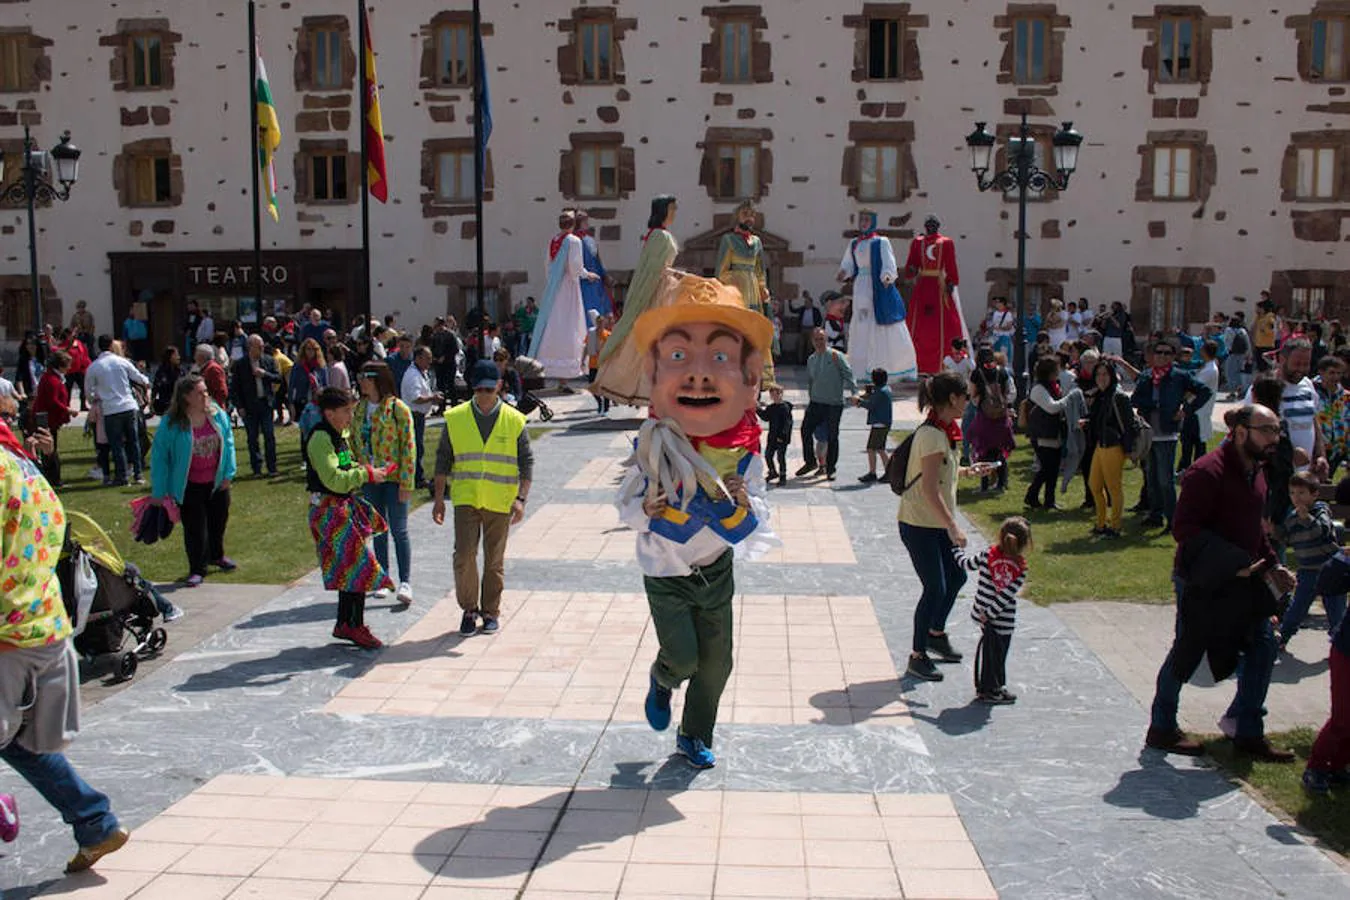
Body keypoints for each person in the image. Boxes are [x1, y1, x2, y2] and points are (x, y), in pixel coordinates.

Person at [614, 274, 777, 769]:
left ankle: (694, 734)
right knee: (684, 659)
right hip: (665, 573)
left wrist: (747, 504)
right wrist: (644, 509)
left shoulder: (745, 454)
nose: (700, 376)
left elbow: (761, 514)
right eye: (680, 357)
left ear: (750, 376)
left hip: (715, 570)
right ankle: (663, 679)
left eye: (721, 357)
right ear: (655, 370)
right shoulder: (655, 442)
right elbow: (625, 502)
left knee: (718, 664)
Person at [0, 392, 130, 875]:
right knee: (19, 741)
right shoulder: (21, 462)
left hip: (9, 632)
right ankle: (95, 822)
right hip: (43, 624)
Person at [1146, 404, 1298, 762]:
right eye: (1267, 430)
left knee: (1263, 647)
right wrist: (1237, 562)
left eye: (1277, 431)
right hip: (1202, 582)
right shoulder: (1206, 472)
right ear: (1241, 431)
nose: (1274, 439)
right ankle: (1162, 727)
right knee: (1186, 651)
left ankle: (1248, 731)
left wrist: (1272, 566)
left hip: (1245, 583)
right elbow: (1184, 530)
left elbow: (1254, 530)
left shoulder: (1257, 472)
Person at [898, 372, 995, 682]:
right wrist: (954, 527)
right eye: (965, 396)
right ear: (953, 399)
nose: (968, 401)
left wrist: (967, 471)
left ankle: (935, 633)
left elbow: (942, 474)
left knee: (956, 576)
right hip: (919, 523)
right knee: (935, 587)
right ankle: (917, 654)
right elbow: (928, 488)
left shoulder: (946, 431)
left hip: (936, 522)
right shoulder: (932, 435)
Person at [433, 360, 534, 636]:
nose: (484, 395)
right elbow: (442, 460)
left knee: (494, 561)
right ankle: (469, 609)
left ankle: (490, 611)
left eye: (489, 389)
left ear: (499, 387)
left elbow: (526, 462)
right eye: (479, 389)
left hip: (500, 501)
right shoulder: (456, 418)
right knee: (464, 556)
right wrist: (439, 499)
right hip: (466, 498)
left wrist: (521, 499)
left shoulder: (514, 420)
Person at [303, 387, 394, 649]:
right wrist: (365, 474)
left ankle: (345, 623)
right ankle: (354, 625)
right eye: (346, 411)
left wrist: (368, 470)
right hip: (328, 511)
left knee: (350, 567)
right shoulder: (321, 439)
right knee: (358, 566)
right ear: (329, 413)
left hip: (342, 507)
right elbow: (334, 479)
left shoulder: (339, 435)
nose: (350, 416)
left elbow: (346, 465)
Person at [150, 375, 237, 588]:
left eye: (205, 391)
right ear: (186, 397)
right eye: (200, 392)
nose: (205, 395)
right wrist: (159, 492)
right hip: (189, 485)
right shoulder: (171, 423)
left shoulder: (217, 414)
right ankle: (197, 568)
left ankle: (217, 555)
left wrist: (228, 474)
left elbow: (228, 442)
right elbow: (160, 457)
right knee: (195, 528)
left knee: (218, 521)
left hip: (216, 482)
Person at [593, 195, 681, 406]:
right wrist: (680, 276)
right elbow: (655, 271)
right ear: (664, 211)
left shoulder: (658, 235)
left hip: (662, 291)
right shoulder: (660, 237)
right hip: (659, 293)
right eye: (672, 208)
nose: (675, 212)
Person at [353, 362, 417, 606]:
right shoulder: (359, 409)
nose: (362, 381)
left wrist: (406, 482)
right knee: (378, 529)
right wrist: (351, 470)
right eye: (360, 376)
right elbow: (349, 440)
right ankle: (383, 578)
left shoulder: (397, 409)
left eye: (366, 376)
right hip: (370, 478)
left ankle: (405, 581)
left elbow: (409, 447)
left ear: (378, 379)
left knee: (399, 530)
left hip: (393, 479)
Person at [1132, 339, 1213, 529]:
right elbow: (1135, 399)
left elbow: (1205, 392)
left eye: (1167, 353)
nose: (1162, 356)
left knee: (1165, 480)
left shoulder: (1179, 376)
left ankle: (1173, 520)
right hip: (1148, 433)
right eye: (1159, 352)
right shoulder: (1146, 376)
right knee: (1151, 479)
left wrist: (1186, 409)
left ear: (1172, 356)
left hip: (1167, 434)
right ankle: (1155, 515)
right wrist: (1150, 405)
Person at [955, 516, 1032, 705]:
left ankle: (992, 686)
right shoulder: (1019, 568)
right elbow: (1005, 597)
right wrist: (991, 614)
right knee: (997, 655)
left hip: (983, 615)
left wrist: (955, 548)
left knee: (989, 653)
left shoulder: (987, 555)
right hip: (1001, 620)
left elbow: (965, 563)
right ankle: (991, 689)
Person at [838, 209, 916, 381]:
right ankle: (860, 368)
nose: (863, 223)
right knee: (862, 322)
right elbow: (849, 263)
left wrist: (887, 276)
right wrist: (844, 272)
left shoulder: (881, 242)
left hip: (877, 286)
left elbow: (889, 262)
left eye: (867, 220)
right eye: (862, 220)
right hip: (861, 286)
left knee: (878, 324)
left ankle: (884, 367)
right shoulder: (854, 243)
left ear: (873, 221)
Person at [1278, 473, 1347, 649]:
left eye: (1301, 493)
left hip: (1330, 570)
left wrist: (1305, 518)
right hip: (1307, 569)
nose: (1296, 497)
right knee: (1297, 607)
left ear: (1314, 494)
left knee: (1335, 609)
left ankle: (1340, 642)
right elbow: (1288, 539)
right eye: (1292, 493)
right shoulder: (1292, 516)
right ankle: (1283, 636)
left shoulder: (1320, 512)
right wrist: (1275, 532)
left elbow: (1321, 533)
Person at [1302, 549, 1350, 793]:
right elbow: (1328, 582)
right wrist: (1343, 559)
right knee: (1343, 717)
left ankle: (1339, 767)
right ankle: (1316, 767)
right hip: (1346, 652)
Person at [531, 209, 598, 383]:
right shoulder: (574, 240)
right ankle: (568, 370)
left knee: (554, 324)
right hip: (569, 286)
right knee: (570, 324)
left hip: (554, 288)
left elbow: (548, 265)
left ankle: (553, 368)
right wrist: (587, 274)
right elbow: (575, 267)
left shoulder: (554, 240)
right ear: (573, 224)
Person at [1249, 337, 1327, 479]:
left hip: (1304, 477)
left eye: (1306, 364)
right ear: (1282, 359)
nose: (1301, 369)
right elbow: (1253, 430)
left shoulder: (1308, 385)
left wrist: (1320, 454)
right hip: (1273, 472)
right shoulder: (1264, 387)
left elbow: (1313, 421)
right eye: (1297, 364)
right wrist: (1289, 453)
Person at [719, 200, 776, 384]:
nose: (749, 218)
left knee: (755, 331)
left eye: (752, 215)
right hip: (736, 291)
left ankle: (757, 374)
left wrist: (763, 287)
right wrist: (732, 279)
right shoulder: (728, 240)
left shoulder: (757, 242)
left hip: (753, 290)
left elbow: (760, 270)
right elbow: (721, 270)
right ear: (737, 216)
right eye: (745, 214)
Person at [904, 215, 967, 375]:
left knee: (945, 323)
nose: (931, 227)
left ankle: (942, 364)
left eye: (933, 224)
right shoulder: (918, 242)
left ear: (938, 226)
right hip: (923, 285)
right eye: (928, 224)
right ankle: (915, 363)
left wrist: (951, 282)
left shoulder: (946, 242)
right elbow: (912, 262)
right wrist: (911, 269)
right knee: (918, 323)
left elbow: (951, 263)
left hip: (939, 285)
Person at [84, 334, 149, 487]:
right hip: (128, 405)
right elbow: (139, 377)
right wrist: (146, 383)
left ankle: (122, 476)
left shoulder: (94, 367)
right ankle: (138, 474)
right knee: (133, 441)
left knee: (116, 444)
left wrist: (95, 399)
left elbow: (88, 391)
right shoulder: (122, 362)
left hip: (110, 409)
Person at [1085, 360, 1138, 538]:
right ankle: (1101, 523)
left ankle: (1115, 526)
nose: (1101, 378)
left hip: (1113, 447)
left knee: (1114, 488)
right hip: (1101, 445)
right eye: (1098, 374)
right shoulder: (1099, 396)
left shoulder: (1118, 396)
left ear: (1112, 376)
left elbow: (1128, 425)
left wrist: (1129, 449)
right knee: (1094, 485)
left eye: (1105, 374)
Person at [796, 327, 856, 481]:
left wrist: (854, 393)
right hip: (816, 403)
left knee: (832, 436)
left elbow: (849, 375)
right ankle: (810, 462)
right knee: (805, 430)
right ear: (812, 342)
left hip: (833, 404)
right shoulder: (811, 359)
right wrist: (810, 397)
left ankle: (831, 469)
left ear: (826, 340)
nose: (819, 342)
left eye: (822, 339)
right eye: (816, 339)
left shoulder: (836, 356)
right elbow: (811, 381)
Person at [1024, 356, 1078, 511]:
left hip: (1053, 433)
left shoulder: (1054, 385)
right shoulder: (1038, 388)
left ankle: (1048, 500)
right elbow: (1052, 407)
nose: (1059, 372)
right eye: (1056, 369)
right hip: (1042, 435)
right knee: (1047, 468)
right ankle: (1032, 495)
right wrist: (1070, 397)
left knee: (1052, 469)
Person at [231, 334, 281, 478]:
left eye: (262, 346)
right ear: (250, 347)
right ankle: (257, 469)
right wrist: (239, 406)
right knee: (252, 438)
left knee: (269, 436)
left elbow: (278, 378)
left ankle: (272, 467)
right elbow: (235, 388)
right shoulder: (241, 365)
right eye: (258, 346)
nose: (261, 349)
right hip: (249, 406)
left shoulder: (269, 360)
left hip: (266, 404)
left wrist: (265, 374)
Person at [969, 346, 1016, 493]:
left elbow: (973, 395)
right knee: (999, 451)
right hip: (1001, 417)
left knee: (983, 451)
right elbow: (1011, 392)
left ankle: (984, 485)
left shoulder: (976, 374)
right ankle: (1001, 483)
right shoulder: (1002, 372)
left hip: (984, 417)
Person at [400, 346, 441, 490]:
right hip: (413, 415)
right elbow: (415, 398)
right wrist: (432, 398)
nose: (430, 361)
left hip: (419, 416)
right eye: (427, 358)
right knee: (416, 447)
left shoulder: (421, 372)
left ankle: (418, 475)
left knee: (419, 447)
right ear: (418, 358)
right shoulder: (412, 375)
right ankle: (417, 478)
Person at [1179, 339, 1221, 471]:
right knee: (1194, 441)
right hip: (1198, 409)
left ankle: (1189, 468)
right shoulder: (1208, 367)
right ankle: (1189, 467)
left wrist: (1184, 397)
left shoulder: (1210, 370)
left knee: (1192, 442)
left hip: (1198, 410)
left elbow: (1194, 389)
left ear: (1204, 351)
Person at [856, 367, 893, 483]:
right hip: (883, 423)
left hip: (879, 424)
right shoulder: (885, 389)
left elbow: (871, 405)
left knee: (872, 448)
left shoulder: (880, 392)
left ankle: (874, 473)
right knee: (880, 449)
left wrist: (858, 402)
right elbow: (874, 397)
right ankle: (887, 472)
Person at [575, 209, 614, 320]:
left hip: (596, 282)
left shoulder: (590, 240)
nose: (587, 223)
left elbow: (597, 261)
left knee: (599, 313)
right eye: (584, 220)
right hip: (582, 283)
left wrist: (605, 275)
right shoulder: (573, 241)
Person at [290, 338, 329, 437]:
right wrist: (291, 403)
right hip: (302, 401)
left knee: (317, 430)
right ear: (304, 350)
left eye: (313, 349)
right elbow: (291, 385)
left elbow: (326, 385)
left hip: (317, 402)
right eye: (308, 349)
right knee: (304, 430)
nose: (311, 352)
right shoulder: (298, 366)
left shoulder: (321, 367)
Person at [757, 382, 792, 486]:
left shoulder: (785, 408)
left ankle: (783, 476)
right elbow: (765, 417)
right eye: (772, 395)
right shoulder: (771, 407)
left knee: (781, 457)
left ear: (781, 394)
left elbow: (788, 424)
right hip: (772, 436)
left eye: (776, 394)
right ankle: (772, 472)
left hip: (781, 437)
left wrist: (783, 436)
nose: (774, 397)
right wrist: (757, 409)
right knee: (768, 455)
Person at [585, 311, 612, 414]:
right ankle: (599, 402)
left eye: (602, 322)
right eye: (599, 322)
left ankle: (606, 408)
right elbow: (586, 347)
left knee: (604, 386)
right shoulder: (591, 334)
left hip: (604, 364)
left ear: (604, 323)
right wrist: (583, 359)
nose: (600, 324)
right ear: (596, 323)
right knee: (591, 385)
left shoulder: (608, 335)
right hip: (593, 364)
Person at [194, 343, 229, 409]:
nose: (194, 358)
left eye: (196, 355)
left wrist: (213, 407)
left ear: (201, 356)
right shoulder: (206, 368)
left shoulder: (213, 369)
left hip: (214, 410)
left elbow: (222, 392)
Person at [151, 346, 182, 417]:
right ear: (170, 356)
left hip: (179, 404)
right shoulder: (162, 372)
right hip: (166, 404)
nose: (179, 357)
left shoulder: (180, 371)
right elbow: (156, 388)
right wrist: (151, 403)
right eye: (176, 355)